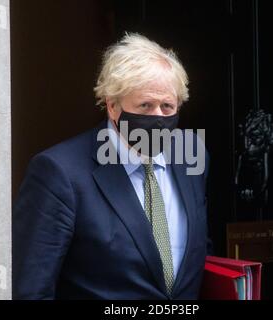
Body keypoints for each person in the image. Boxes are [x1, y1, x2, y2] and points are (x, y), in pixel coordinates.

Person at [12, 33, 210, 299]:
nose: (158, 118)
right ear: (113, 106)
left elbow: (198, 254)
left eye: (167, 106)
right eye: (145, 105)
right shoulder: (59, 172)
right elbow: (32, 289)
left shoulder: (192, 156)